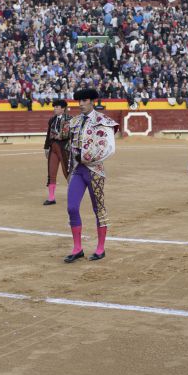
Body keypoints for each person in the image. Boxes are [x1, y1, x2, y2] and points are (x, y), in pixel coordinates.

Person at [64, 88, 117, 262]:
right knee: (72, 208)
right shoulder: (75, 122)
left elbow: (109, 148)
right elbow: (70, 147)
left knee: (98, 209)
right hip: (78, 170)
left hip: (95, 170)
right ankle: (77, 248)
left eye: (84, 100)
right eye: (79, 101)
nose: (81, 104)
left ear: (92, 101)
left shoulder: (103, 121)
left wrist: (88, 157)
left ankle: (100, 248)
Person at [43, 99, 71, 205]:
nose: (54, 109)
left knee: (67, 172)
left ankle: (73, 195)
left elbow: (68, 134)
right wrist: (46, 147)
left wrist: (59, 135)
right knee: (51, 173)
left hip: (64, 149)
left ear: (63, 108)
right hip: (53, 148)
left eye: (57, 107)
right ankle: (51, 198)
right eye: (54, 107)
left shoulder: (69, 119)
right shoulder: (52, 120)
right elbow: (48, 134)